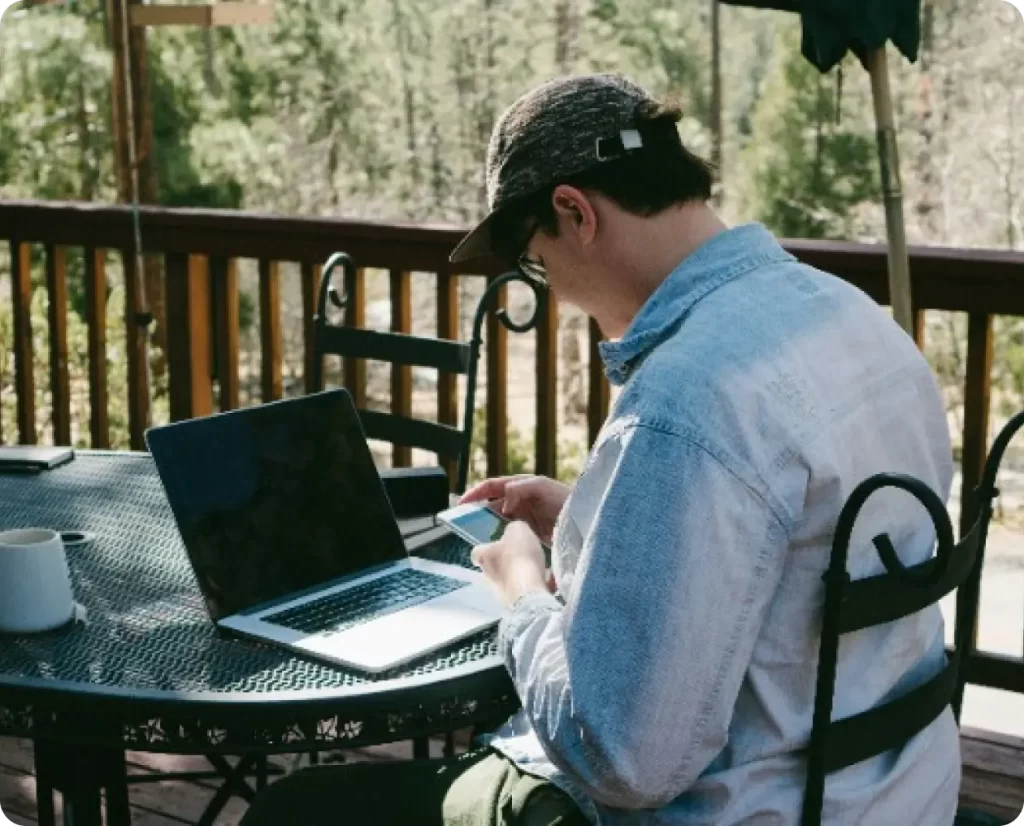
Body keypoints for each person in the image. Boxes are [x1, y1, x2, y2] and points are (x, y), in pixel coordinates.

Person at [239, 73, 959, 825]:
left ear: (574, 212)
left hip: (744, 809)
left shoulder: (690, 397)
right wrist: (595, 515)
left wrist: (519, 588)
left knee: (294, 810)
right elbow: (773, 547)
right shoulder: (852, 318)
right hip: (898, 795)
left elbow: (619, 757)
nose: (550, 290)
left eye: (534, 261)